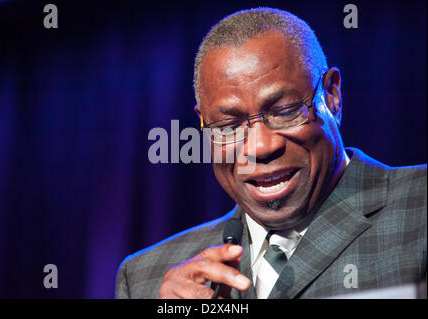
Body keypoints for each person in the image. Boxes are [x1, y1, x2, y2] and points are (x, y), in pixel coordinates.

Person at [116, 7, 427, 299]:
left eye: (286, 111)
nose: (261, 147)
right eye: (228, 125)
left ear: (332, 96)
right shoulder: (146, 278)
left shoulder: (419, 209)